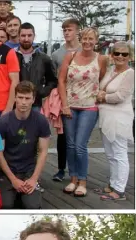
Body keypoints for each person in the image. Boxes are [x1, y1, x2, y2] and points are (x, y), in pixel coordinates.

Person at [57, 27, 107, 198]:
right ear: (80, 39)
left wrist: (101, 93)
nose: (87, 42)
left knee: (80, 145)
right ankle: (73, 179)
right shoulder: (70, 57)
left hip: (89, 106)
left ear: (96, 41)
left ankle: (83, 181)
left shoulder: (101, 59)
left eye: (90, 39)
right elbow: (61, 81)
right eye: (84, 38)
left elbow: (103, 80)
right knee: (70, 144)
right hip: (70, 105)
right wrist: (64, 105)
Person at [0, 81, 50, 209]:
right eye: (20, 97)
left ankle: (28, 192)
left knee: (33, 206)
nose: (24, 102)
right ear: (15, 98)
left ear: (33, 99)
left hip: (29, 171)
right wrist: (13, 179)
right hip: (8, 171)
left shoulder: (41, 120)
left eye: (27, 98)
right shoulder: (3, 121)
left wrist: (34, 178)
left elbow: (43, 151)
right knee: (5, 205)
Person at [96, 42, 134, 201]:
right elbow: (100, 87)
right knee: (110, 153)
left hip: (120, 117)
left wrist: (103, 97)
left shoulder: (130, 73)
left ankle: (120, 189)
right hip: (106, 117)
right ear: (112, 54)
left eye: (124, 54)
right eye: (117, 53)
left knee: (119, 153)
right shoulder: (111, 70)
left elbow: (120, 96)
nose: (120, 56)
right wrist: (102, 94)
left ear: (129, 56)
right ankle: (113, 183)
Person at [50, 18, 81, 182]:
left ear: (77, 31)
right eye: (64, 30)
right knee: (63, 135)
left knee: (79, 138)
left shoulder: (86, 50)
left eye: (70, 29)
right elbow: (56, 78)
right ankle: (61, 169)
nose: (67, 33)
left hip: (83, 99)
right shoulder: (57, 54)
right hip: (64, 98)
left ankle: (77, 172)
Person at [16, 22, 57, 111]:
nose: (26, 39)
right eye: (23, 35)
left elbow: (53, 81)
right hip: (15, 104)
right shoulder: (11, 56)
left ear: (34, 36)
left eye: (29, 35)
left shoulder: (44, 58)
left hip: (35, 104)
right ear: (18, 36)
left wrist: (41, 92)